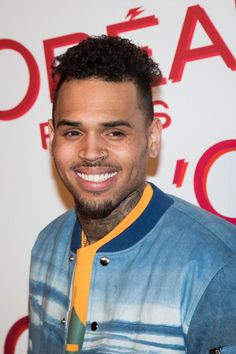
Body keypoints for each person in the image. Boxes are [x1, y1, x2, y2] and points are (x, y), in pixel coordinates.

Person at [28, 35, 236, 354]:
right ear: (52, 137)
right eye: (73, 132)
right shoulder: (47, 243)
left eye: (115, 132)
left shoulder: (218, 264)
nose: (91, 152)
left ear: (152, 138)